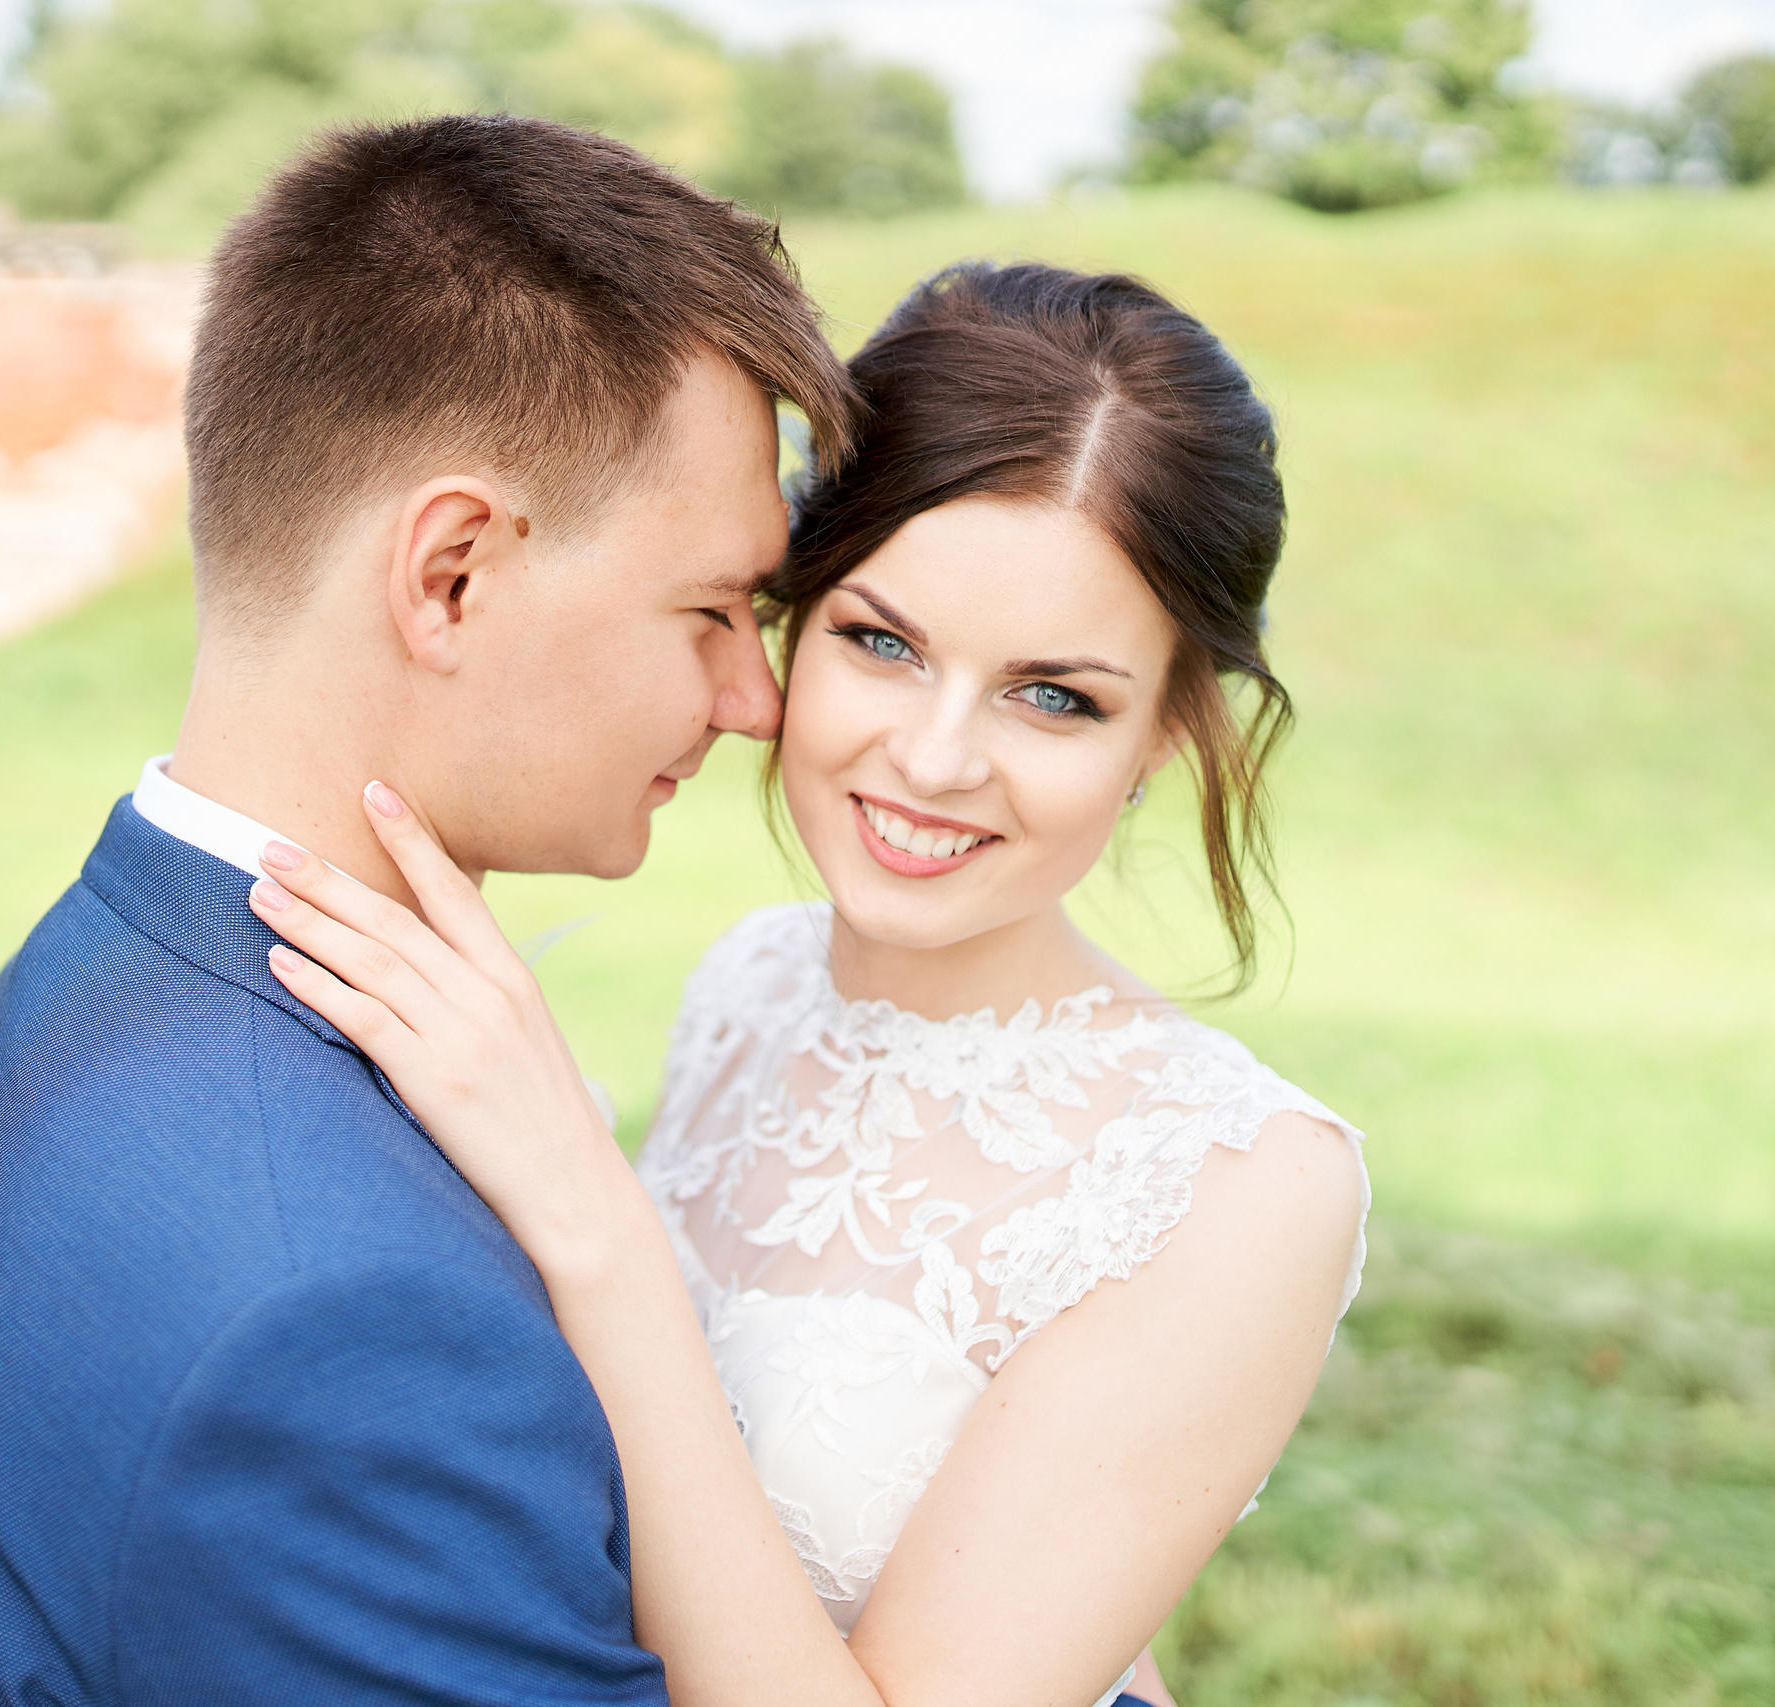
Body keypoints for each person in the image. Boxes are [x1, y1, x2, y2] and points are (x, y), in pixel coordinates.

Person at [242, 261, 1373, 1707]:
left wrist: (590, 1218)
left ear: (1164, 732)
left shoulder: (1240, 1185)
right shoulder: (753, 985)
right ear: (788, 616)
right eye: (881, 642)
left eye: (1054, 696)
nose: (935, 759)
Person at [0, 115, 858, 1705]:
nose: (755, 701)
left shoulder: (105, 956)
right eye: (708, 611)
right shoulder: (343, 1321)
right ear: (452, 573)